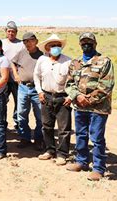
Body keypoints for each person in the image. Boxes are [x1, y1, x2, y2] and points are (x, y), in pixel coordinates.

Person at [65, 32, 115, 181]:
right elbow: (69, 84)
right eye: (83, 42)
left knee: (97, 137)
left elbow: (107, 85)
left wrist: (89, 99)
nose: (86, 44)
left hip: (98, 107)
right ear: (80, 44)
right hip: (79, 106)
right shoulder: (75, 62)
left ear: (95, 43)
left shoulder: (104, 61)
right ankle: (81, 162)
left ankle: (98, 168)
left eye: (89, 42)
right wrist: (78, 96)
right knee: (80, 134)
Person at [33, 34, 72, 166]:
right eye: (52, 45)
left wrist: (70, 96)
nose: (55, 48)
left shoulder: (68, 61)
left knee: (64, 128)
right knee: (47, 126)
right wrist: (39, 91)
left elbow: (74, 81)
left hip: (63, 98)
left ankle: (62, 154)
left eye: (58, 45)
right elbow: (36, 76)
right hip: (46, 96)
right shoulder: (42, 59)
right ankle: (49, 150)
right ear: (47, 48)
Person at [11, 32, 44, 149]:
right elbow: (12, 62)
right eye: (25, 41)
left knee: (40, 116)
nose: (27, 43)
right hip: (23, 88)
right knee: (21, 114)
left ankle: (39, 140)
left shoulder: (42, 55)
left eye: (30, 41)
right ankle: (25, 138)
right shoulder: (21, 53)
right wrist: (16, 75)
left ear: (36, 41)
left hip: (37, 88)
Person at [2, 21, 24, 130]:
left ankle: (17, 122)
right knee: (2, 102)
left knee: (18, 102)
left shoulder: (21, 44)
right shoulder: (1, 43)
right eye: (9, 31)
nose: (11, 33)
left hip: (17, 78)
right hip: (3, 78)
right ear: (5, 31)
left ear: (16, 32)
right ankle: (3, 122)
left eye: (13, 31)